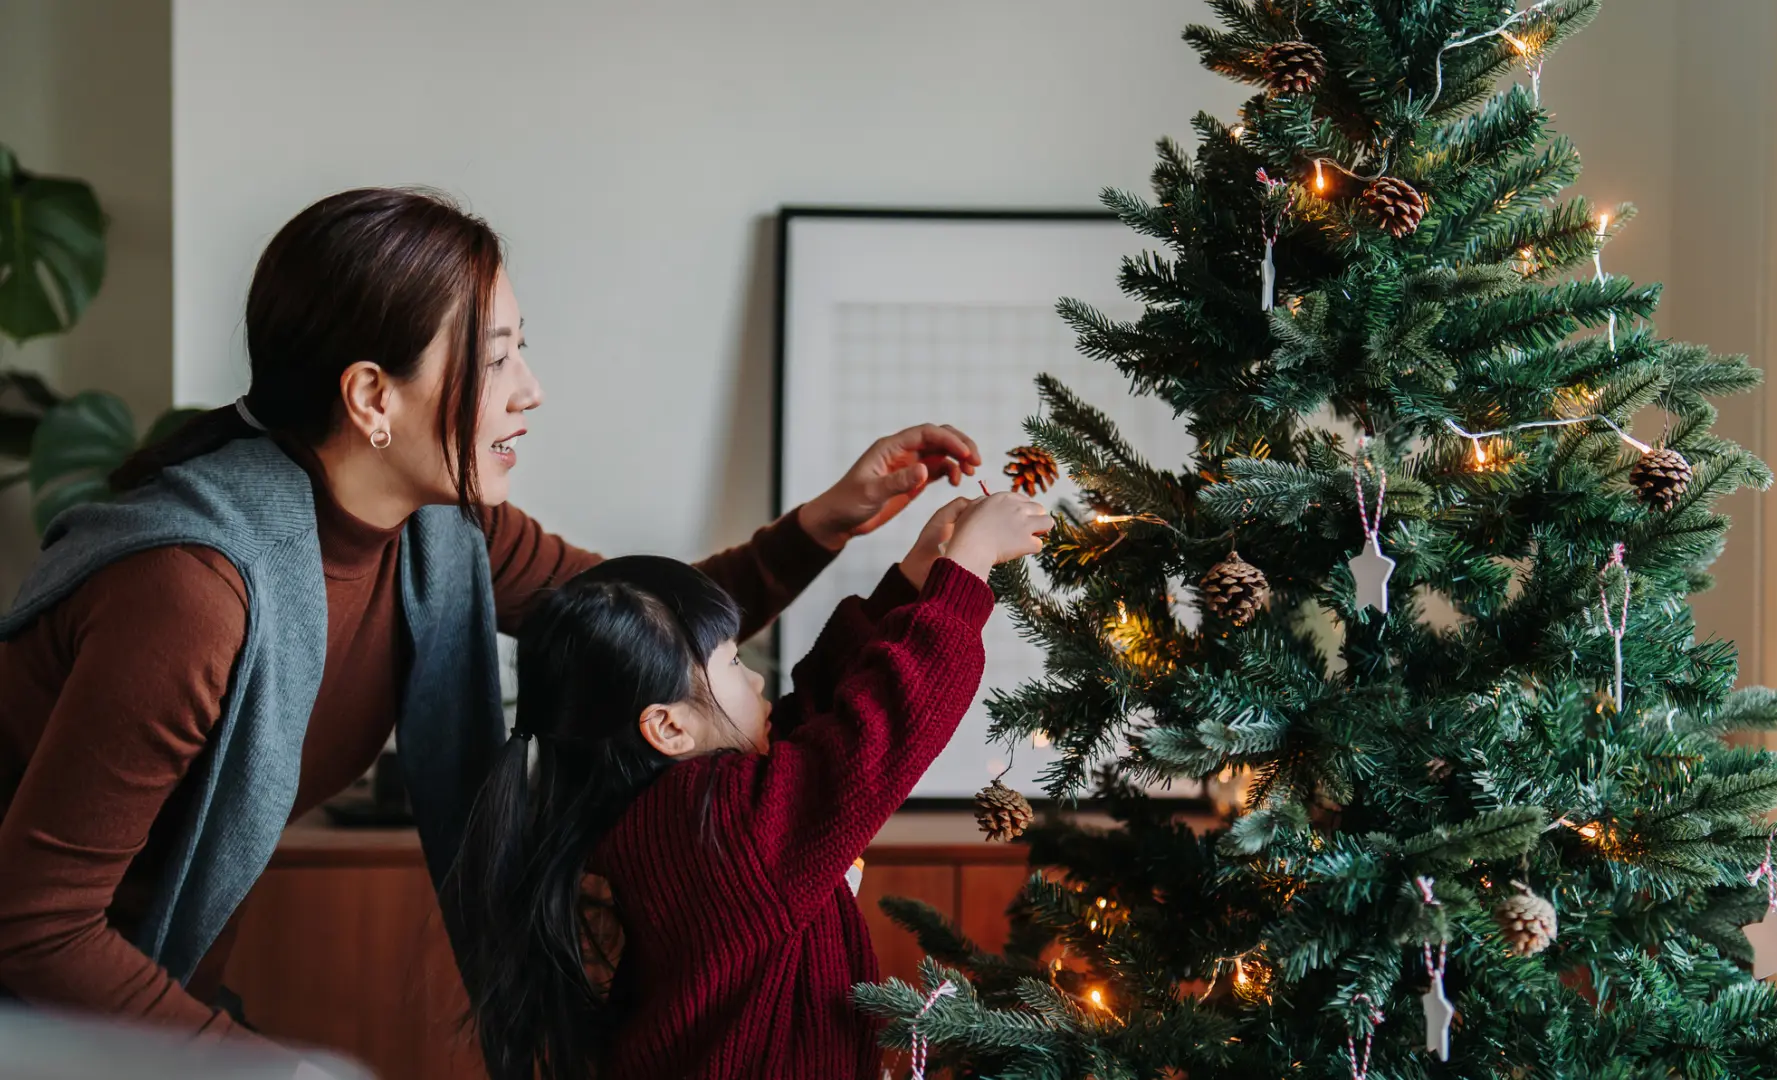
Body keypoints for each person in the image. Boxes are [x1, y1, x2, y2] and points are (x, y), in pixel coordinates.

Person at [0, 187, 985, 1038]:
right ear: (372, 397)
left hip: (136, 994)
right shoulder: (192, 595)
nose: (532, 391)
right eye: (498, 357)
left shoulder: (441, 534)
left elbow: (650, 629)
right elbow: (37, 927)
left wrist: (833, 518)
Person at [446, 489, 1051, 1080]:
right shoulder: (724, 824)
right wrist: (964, 571)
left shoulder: (679, 807)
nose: (758, 681)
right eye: (734, 662)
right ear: (668, 727)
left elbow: (812, 727)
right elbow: (881, 730)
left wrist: (913, 583)